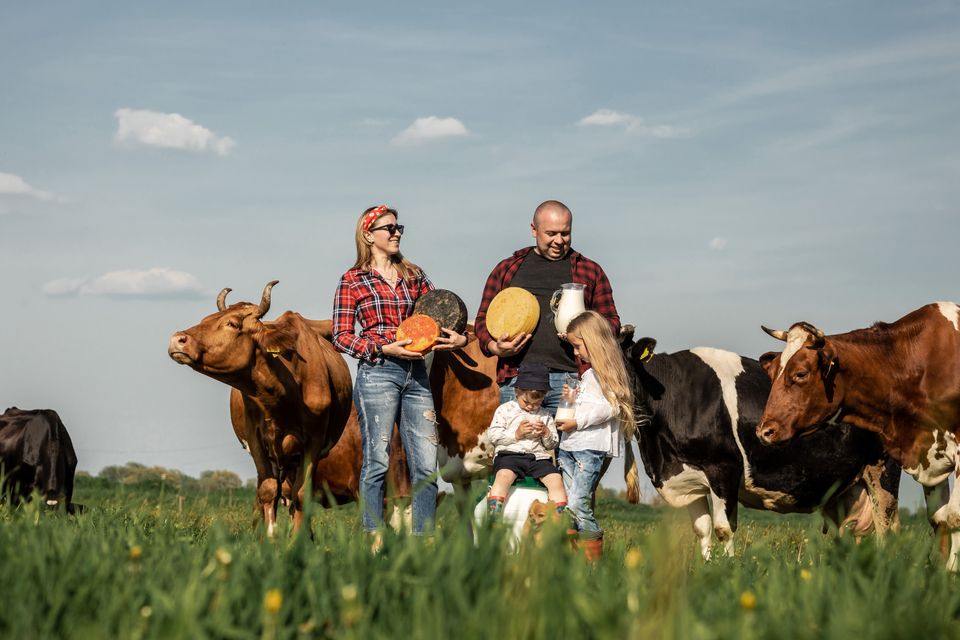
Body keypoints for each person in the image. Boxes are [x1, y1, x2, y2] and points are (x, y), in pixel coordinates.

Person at [332, 204, 468, 538]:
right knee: (377, 461)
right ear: (368, 235)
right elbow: (341, 335)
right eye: (388, 228)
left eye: (398, 228)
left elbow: (441, 313)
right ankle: (374, 537)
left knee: (424, 464)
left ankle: (423, 540)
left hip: (417, 374)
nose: (396, 233)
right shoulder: (352, 280)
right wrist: (380, 347)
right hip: (377, 372)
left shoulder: (414, 275)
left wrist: (459, 337)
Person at [473, 200, 621, 410]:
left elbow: (612, 321)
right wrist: (494, 346)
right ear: (534, 230)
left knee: (570, 444)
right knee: (519, 443)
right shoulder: (507, 269)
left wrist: (588, 336)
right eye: (551, 234)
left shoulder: (590, 270)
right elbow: (483, 320)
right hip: (519, 379)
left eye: (565, 233)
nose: (559, 241)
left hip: (574, 379)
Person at [555, 310, 636, 559]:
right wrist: (571, 401)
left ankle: (592, 559)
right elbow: (589, 404)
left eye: (578, 346)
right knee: (568, 505)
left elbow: (609, 407)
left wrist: (576, 419)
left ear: (592, 341)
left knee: (578, 504)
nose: (576, 353)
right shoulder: (588, 375)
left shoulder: (606, 374)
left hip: (589, 449)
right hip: (570, 447)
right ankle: (572, 559)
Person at [485, 362, 567, 515]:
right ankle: (494, 515)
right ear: (517, 391)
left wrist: (546, 433)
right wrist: (516, 434)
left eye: (536, 403)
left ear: (543, 398)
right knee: (503, 476)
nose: (531, 407)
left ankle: (559, 519)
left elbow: (552, 444)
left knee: (556, 479)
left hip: (537, 457)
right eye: (527, 402)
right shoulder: (505, 410)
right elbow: (493, 436)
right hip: (509, 455)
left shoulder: (545, 415)